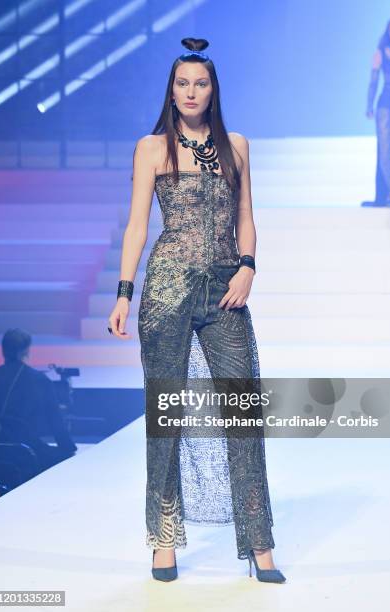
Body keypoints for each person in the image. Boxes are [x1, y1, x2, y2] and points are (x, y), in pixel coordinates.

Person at [108, 37, 286, 584]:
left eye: (200, 83)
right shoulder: (152, 147)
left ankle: (259, 545)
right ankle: (164, 541)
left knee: (242, 413)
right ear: (172, 88)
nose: (191, 92)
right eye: (182, 83)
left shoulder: (236, 146)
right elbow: (138, 225)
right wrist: (123, 290)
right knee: (167, 418)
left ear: (213, 89)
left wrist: (249, 266)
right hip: (166, 289)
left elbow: (247, 214)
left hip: (224, 289)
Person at [0, 328, 77, 473]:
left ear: (4, 350)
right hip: (28, 452)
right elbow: (55, 420)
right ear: (25, 351)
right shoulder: (40, 381)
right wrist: (68, 449)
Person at [362, 10, 390, 207]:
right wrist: (369, 105)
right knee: (385, 149)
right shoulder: (381, 52)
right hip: (387, 103)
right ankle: (387, 195)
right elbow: (374, 82)